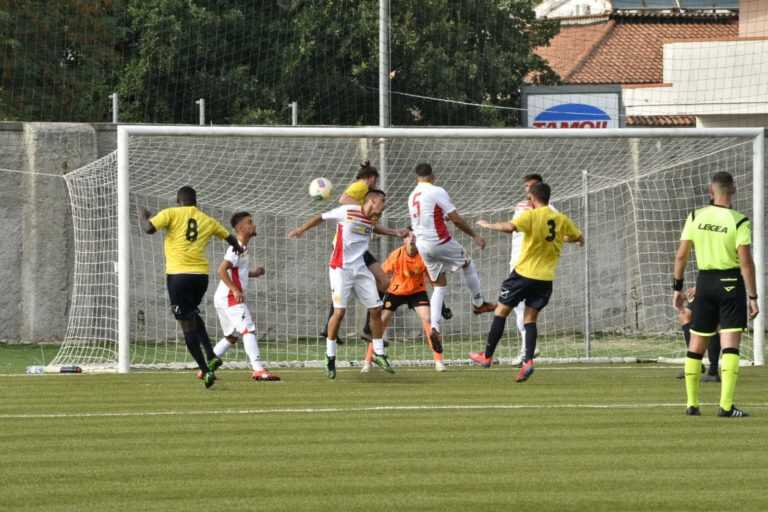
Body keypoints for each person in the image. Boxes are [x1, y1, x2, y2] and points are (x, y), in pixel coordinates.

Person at [469, 182, 582, 383]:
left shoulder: (531, 215)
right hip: (545, 279)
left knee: (501, 312)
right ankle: (528, 361)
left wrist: (488, 225)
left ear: (532, 198)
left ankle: (486, 357)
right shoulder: (561, 218)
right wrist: (562, 240)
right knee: (530, 319)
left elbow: (510, 227)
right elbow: (577, 237)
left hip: (523, 274)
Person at [138, 186, 242, 388]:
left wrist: (143, 215)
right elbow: (231, 240)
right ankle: (211, 355)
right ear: (196, 202)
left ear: (179, 201)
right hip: (201, 277)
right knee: (193, 314)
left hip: (178, 276)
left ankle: (205, 369)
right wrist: (239, 249)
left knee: (186, 324)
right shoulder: (207, 219)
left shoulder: (171, 213)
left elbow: (149, 228)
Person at [673, 171, 759, 417]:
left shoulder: (694, 216)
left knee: (696, 344)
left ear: (710, 191)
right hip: (731, 283)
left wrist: (677, 288)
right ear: (733, 189)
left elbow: (681, 255)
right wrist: (753, 297)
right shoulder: (739, 221)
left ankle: (692, 404)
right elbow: (746, 263)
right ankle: (725, 406)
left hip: (704, 283)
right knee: (730, 345)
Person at [289, 189, 399, 379]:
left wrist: (394, 232)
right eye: (382, 200)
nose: (385, 204)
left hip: (361, 269)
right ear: (372, 200)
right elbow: (321, 217)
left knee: (375, 309)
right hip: (340, 269)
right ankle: (330, 357)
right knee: (339, 313)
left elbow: (374, 228)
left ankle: (379, 354)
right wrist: (301, 229)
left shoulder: (371, 219)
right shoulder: (347, 211)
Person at [320, 161, 418, 343]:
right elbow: (343, 200)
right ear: (372, 179)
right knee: (377, 283)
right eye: (376, 182)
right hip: (351, 251)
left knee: (382, 281)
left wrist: (394, 232)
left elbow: (373, 226)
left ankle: (363, 327)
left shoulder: (367, 201)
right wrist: (362, 212)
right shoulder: (362, 187)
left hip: (358, 248)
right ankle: (358, 328)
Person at [407, 162, 495, 350]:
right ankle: (479, 302)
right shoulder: (436, 190)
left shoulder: (412, 195)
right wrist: (475, 236)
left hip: (423, 246)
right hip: (439, 241)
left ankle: (435, 327)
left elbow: (428, 216)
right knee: (467, 262)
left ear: (417, 178)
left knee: (439, 286)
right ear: (433, 176)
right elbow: (455, 217)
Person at [362, 229, 445, 373]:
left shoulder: (424, 256)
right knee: (381, 322)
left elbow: (434, 280)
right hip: (395, 292)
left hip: (417, 292)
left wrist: (441, 304)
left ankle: (439, 361)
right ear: (404, 240)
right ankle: (368, 361)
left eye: (416, 236)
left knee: (428, 318)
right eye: (409, 236)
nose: (412, 239)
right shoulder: (396, 255)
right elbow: (381, 274)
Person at [210, 211, 279, 381]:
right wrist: (235, 290)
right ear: (240, 227)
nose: (253, 225)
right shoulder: (236, 247)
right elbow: (221, 270)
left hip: (222, 297)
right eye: (250, 222)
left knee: (232, 336)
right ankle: (258, 369)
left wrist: (254, 273)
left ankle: (205, 367)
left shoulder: (242, 248)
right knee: (248, 329)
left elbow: (236, 271)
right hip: (229, 297)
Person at [509, 173, 554, 365]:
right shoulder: (520, 207)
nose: (526, 189)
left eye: (530, 186)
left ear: (538, 188)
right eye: (525, 186)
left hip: (531, 265)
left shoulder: (548, 209)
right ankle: (527, 348)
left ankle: (528, 348)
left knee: (518, 308)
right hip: (517, 261)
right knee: (520, 309)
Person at [676, 287, 721, 382]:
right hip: (707, 284)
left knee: (711, 319)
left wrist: (700, 288)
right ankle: (696, 364)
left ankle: (713, 371)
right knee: (685, 315)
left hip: (721, 284)